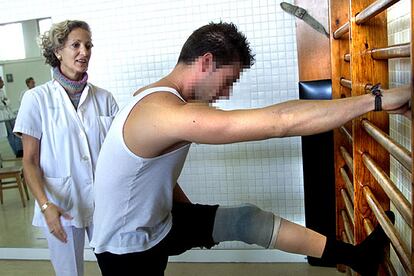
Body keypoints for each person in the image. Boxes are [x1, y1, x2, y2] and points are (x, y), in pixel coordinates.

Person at [90, 22, 410, 276]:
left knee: (246, 220)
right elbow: (280, 122)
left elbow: (146, 172)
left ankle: (357, 258)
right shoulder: (168, 114)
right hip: (126, 249)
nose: (225, 93)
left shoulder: (153, 96)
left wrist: (191, 216)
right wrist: (376, 100)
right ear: (206, 62)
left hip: (159, 220)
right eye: (228, 81)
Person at [13, 20, 119, 276]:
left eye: (88, 45)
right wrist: (46, 205)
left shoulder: (104, 98)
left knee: (117, 266)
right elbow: (29, 161)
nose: (84, 52)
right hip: (60, 203)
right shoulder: (36, 99)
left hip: (104, 202)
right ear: (58, 51)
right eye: (76, 45)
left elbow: (119, 152)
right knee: (69, 272)